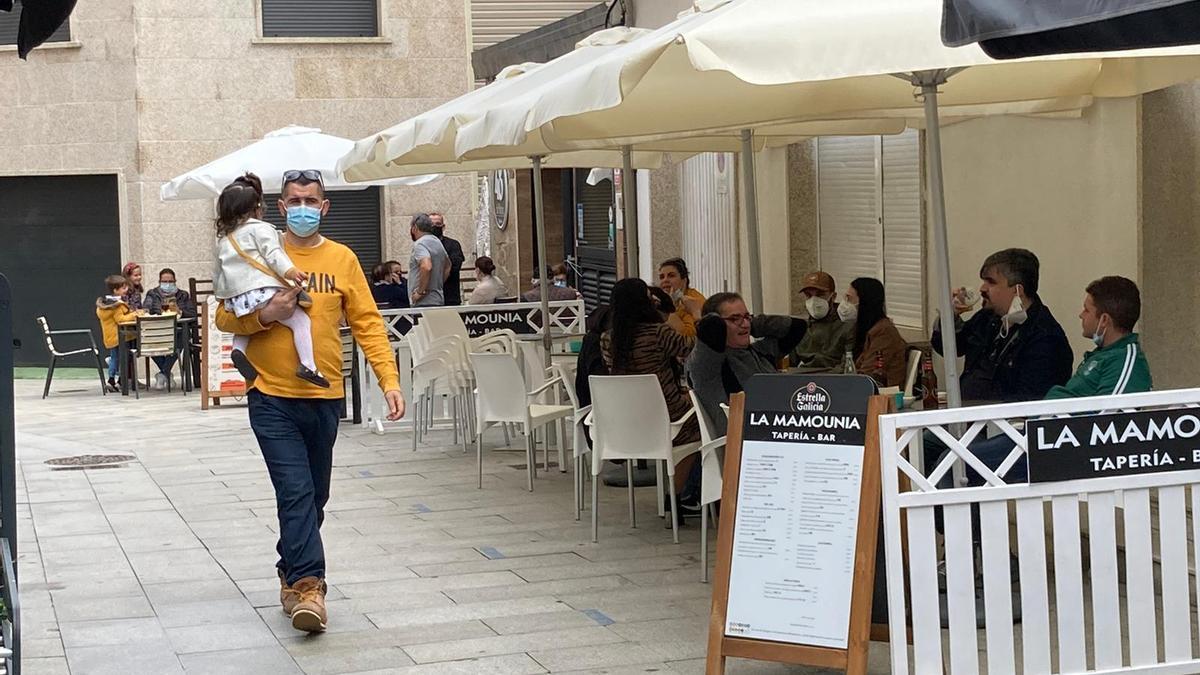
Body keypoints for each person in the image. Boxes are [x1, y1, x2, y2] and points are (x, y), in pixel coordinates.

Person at [216, 168, 405, 634]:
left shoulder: (342, 259)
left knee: (315, 495)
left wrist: (389, 379)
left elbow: (367, 323)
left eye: (311, 200)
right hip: (270, 395)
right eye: (294, 200)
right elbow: (223, 314)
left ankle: (289, 566)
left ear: (324, 207)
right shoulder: (258, 246)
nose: (302, 207)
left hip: (324, 397)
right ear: (281, 208)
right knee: (296, 491)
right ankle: (309, 587)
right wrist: (264, 316)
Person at [938, 275, 1153, 486]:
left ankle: (957, 523)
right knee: (955, 456)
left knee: (954, 463)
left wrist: (1051, 419)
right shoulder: (1104, 354)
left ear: (1104, 320)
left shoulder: (1125, 359)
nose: (1080, 315)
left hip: (1057, 447)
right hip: (1041, 435)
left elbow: (1111, 420)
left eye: (1087, 310)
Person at [211, 173, 327, 389]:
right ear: (258, 208)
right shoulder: (261, 229)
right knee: (301, 321)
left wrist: (224, 296)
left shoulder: (224, 240)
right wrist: (290, 271)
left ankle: (238, 350)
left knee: (245, 324)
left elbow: (217, 274)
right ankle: (308, 364)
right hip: (262, 290)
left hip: (238, 298)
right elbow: (273, 254)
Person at [600, 278, 699, 500]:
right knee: (703, 424)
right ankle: (677, 494)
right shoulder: (657, 333)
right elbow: (692, 347)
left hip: (626, 420)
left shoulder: (607, 339)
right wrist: (697, 314)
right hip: (666, 416)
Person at [933, 248, 1073, 402]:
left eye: (991, 282)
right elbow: (951, 348)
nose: (982, 288)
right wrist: (950, 314)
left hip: (1000, 422)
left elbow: (1029, 401)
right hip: (967, 415)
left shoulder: (1045, 337)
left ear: (1017, 290)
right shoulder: (989, 317)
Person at [687, 292, 808, 437]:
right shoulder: (708, 364)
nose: (744, 324)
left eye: (746, 317)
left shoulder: (759, 351)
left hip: (782, 429)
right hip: (745, 441)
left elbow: (797, 327)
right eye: (734, 318)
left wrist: (753, 324)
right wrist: (698, 315)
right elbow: (710, 326)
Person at [841, 277, 908, 387]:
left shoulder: (884, 331)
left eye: (849, 299)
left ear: (865, 301)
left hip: (880, 394)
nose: (845, 304)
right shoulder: (867, 329)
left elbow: (868, 373)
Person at [143, 267, 198, 390]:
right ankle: (166, 373)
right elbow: (146, 309)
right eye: (164, 281)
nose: (167, 284)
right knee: (145, 341)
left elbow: (192, 313)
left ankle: (163, 373)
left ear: (175, 281)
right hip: (158, 330)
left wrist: (180, 311)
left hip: (177, 329)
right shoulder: (152, 294)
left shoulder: (183, 295)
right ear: (159, 281)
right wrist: (159, 312)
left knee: (183, 337)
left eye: (170, 281)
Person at [789, 270, 854, 370]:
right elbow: (791, 366)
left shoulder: (847, 326)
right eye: (808, 295)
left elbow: (848, 368)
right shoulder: (800, 329)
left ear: (833, 296)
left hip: (834, 381)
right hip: (802, 380)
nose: (814, 301)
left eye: (820, 295)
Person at [96, 274, 139, 393]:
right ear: (115, 290)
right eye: (123, 288)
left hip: (110, 337)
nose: (126, 290)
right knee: (123, 358)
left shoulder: (105, 305)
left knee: (114, 357)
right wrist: (134, 314)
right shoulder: (116, 305)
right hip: (121, 336)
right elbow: (121, 320)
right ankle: (118, 381)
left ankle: (112, 380)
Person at [408, 213, 450, 307]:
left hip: (423, 302)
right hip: (438, 298)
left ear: (414, 228)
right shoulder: (437, 241)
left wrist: (420, 292)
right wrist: (437, 283)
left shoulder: (420, 244)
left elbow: (426, 266)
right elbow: (448, 266)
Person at [658, 257, 704, 337]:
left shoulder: (693, 300)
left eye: (671, 276)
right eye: (662, 277)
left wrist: (670, 310)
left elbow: (688, 335)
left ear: (684, 280)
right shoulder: (661, 301)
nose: (665, 280)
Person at [430, 212, 465, 305]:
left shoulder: (453, 245)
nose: (434, 227)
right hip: (429, 298)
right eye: (431, 224)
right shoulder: (422, 245)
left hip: (449, 296)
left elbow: (455, 266)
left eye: (437, 224)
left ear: (443, 226)